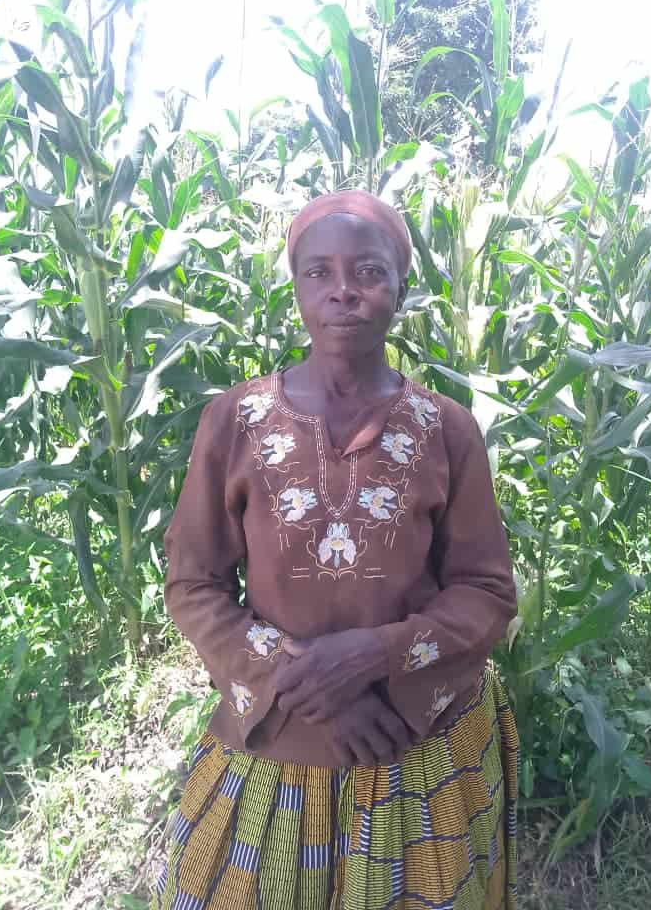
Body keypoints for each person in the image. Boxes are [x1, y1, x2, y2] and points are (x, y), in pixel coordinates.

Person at [151, 190, 519, 910]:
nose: (343, 290)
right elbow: (193, 585)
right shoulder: (236, 420)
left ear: (402, 289)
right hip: (280, 739)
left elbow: (486, 593)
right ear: (296, 289)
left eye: (368, 271)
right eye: (319, 272)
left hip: (416, 738)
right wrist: (307, 685)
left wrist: (375, 656)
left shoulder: (447, 429)